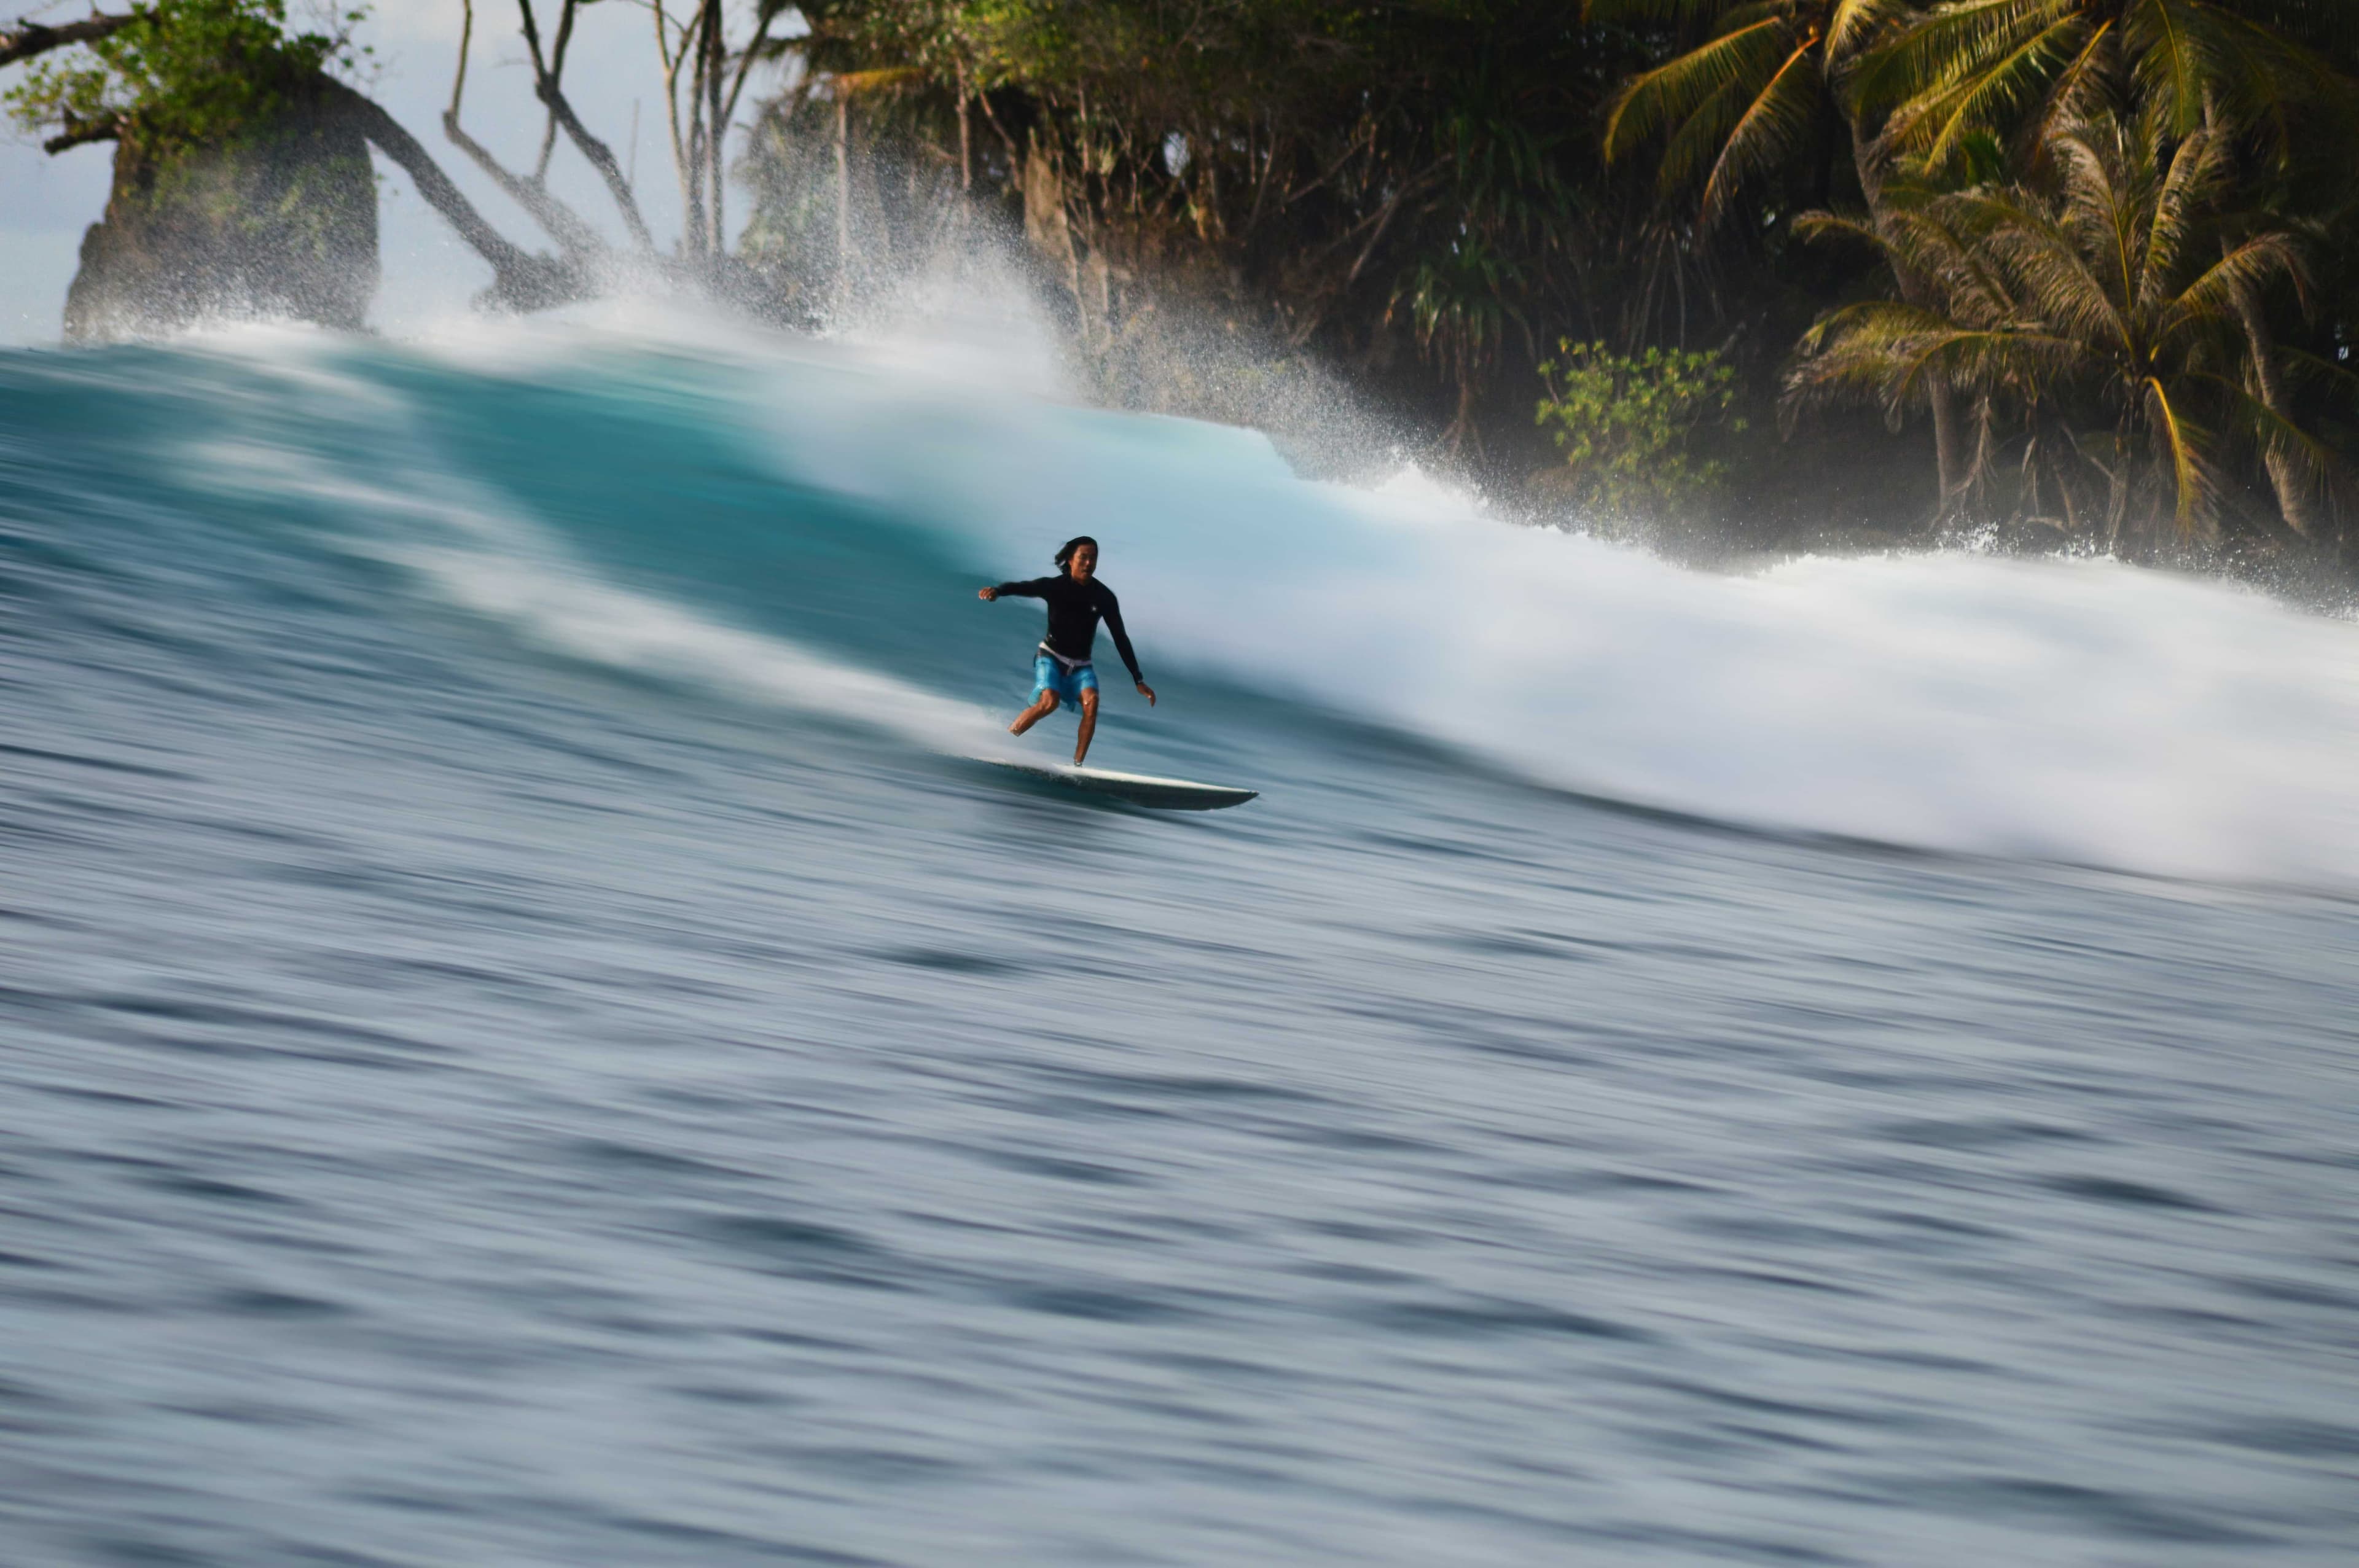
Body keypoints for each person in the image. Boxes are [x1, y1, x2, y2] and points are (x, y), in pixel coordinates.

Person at [979, 536, 1156, 766]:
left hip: (1081, 665)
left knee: (1092, 702)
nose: (1089, 563)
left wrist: (1138, 679)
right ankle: (1006, 740)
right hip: (1051, 657)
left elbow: (1120, 638)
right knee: (1049, 702)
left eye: (1093, 558)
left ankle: (1077, 767)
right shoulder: (1055, 587)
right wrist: (998, 591)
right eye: (1083, 557)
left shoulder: (1104, 597)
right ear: (1071, 560)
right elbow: (1023, 587)